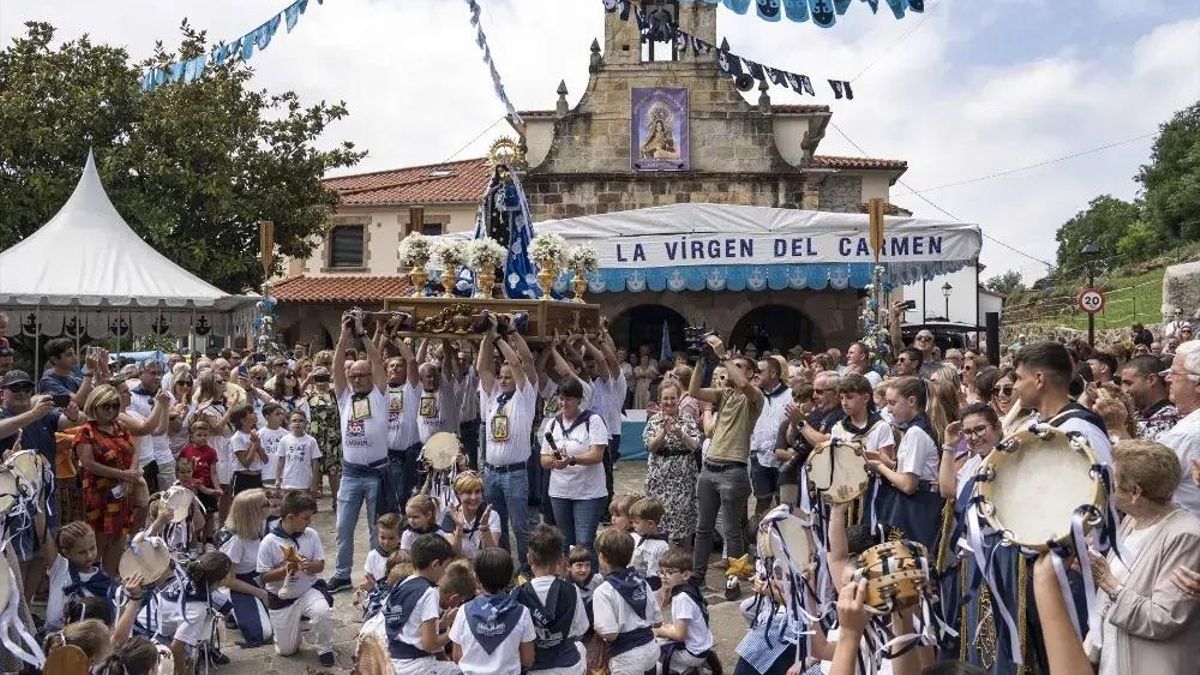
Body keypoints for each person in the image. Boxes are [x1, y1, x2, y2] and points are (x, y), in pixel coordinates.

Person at [1084, 439, 1200, 675]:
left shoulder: (1186, 535)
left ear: (1136, 492)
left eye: (1112, 481)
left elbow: (1164, 617)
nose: (1104, 486)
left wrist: (1108, 582)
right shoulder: (1131, 520)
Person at [687, 335, 764, 599]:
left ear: (752, 373)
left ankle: (733, 579)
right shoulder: (725, 394)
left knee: (732, 529)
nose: (733, 370)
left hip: (734, 468)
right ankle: (697, 576)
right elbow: (695, 391)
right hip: (710, 467)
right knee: (703, 527)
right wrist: (700, 360)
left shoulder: (754, 397)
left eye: (740, 366)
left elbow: (742, 383)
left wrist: (723, 356)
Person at [328, 310, 390, 593]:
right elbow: (335, 366)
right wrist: (343, 335)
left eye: (363, 375)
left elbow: (376, 360)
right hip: (351, 473)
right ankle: (342, 573)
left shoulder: (379, 393)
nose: (358, 380)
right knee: (343, 527)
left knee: (378, 527)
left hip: (377, 472)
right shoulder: (344, 396)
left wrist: (363, 333)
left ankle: (379, 574)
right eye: (354, 376)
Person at [477, 318, 539, 564]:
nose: (503, 380)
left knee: (520, 525)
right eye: (500, 377)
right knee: (496, 523)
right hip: (491, 472)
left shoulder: (524, 397)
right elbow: (482, 369)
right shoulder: (494, 396)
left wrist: (500, 337)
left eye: (507, 377)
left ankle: (525, 567)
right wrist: (486, 336)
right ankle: (501, 566)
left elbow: (516, 362)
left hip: (515, 473)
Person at [257, 491, 335, 666]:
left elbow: (320, 565)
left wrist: (308, 565)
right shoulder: (269, 542)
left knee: (322, 611)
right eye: (305, 518)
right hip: (281, 598)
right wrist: (285, 569)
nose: (309, 522)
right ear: (290, 517)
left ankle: (325, 648)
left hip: (308, 590)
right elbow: (264, 577)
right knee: (287, 651)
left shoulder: (311, 534)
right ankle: (295, 625)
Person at [74, 384, 146, 574]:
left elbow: (134, 451)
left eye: (114, 405)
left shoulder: (120, 427)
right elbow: (88, 463)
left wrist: (130, 475)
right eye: (106, 406)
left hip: (123, 492)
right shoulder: (87, 431)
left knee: (119, 537)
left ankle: (112, 578)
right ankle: (93, 579)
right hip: (99, 494)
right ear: (94, 405)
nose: (111, 410)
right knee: (98, 539)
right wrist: (123, 475)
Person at [541, 377, 609, 566]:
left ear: (579, 400)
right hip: (560, 491)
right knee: (564, 542)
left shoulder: (592, 420)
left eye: (569, 399)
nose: (564, 403)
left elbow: (596, 455)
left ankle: (590, 583)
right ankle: (569, 581)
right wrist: (555, 461)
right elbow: (543, 459)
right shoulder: (552, 424)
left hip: (588, 492)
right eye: (561, 399)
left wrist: (572, 460)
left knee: (584, 543)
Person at [876, 377, 945, 553]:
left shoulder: (916, 432)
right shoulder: (920, 427)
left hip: (918, 508)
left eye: (892, 402)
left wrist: (879, 467)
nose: (888, 409)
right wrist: (888, 463)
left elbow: (908, 485)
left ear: (912, 401)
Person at [1012, 341, 1112, 462]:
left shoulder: (1083, 432)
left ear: (1039, 380)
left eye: (1019, 378)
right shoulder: (1032, 426)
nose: (1015, 386)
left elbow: (1101, 479)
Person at [380, 533, 461, 675]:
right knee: (461, 671)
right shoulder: (429, 593)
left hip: (392, 661)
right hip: (415, 665)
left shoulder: (402, 583)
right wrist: (451, 633)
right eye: (446, 566)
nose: (445, 572)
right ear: (435, 564)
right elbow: (430, 645)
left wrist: (440, 624)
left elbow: (409, 625)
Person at [514, 524, 589, 674]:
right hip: (568, 666)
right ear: (561, 559)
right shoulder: (572, 589)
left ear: (529, 558)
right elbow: (581, 627)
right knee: (580, 647)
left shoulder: (517, 593)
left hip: (534, 668)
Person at [449, 547, 537, 674]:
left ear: (476, 579)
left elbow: (457, 656)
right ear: (510, 578)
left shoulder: (464, 611)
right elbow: (528, 660)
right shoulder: (522, 612)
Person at [592, 528, 663, 675]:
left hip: (626, 658)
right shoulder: (641, 582)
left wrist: (597, 627)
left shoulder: (603, 591)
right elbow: (658, 622)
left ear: (602, 557)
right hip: (651, 650)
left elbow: (610, 634)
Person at [641, 381, 701, 547]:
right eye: (665, 398)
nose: (669, 402)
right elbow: (650, 446)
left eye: (673, 398)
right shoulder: (654, 420)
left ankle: (684, 558)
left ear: (679, 399)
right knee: (659, 517)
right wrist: (663, 433)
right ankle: (660, 554)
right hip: (659, 479)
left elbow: (695, 445)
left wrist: (680, 433)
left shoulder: (687, 419)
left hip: (683, 479)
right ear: (659, 400)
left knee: (684, 519)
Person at [218, 488, 274, 648]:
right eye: (265, 503)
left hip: (258, 577)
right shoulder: (236, 540)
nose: (270, 504)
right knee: (262, 633)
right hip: (238, 586)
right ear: (254, 511)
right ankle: (230, 611)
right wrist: (260, 593)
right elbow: (228, 580)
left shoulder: (260, 525)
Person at [653, 548, 717, 675]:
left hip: (693, 653)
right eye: (662, 572)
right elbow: (664, 605)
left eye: (669, 573)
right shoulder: (688, 588)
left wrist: (658, 631)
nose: (664, 577)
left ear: (685, 575)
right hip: (702, 646)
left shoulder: (682, 598)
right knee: (664, 631)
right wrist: (666, 590)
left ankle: (684, 670)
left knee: (652, 651)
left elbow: (679, 635)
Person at [1157, 340, 1200, 517]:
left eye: (1174, 373)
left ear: (1198, 384)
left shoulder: (1185, 434)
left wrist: (1116, 427)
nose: (1167, 379)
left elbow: (1138, 481)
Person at [44, 521, 112, 631]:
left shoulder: (103, 581)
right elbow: (44, 537)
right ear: (67, 553)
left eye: (92, 548)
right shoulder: (60, 567)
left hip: (85, 638)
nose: (89, 555)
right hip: (54, 633)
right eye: (81, 552)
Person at [750, 357, 791, 523]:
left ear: (773, 373)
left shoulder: (791, 395)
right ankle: (758, 539)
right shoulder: (753, 395)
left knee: (784, 502)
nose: (756, 375)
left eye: (760, 371)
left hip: (784, 458)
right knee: (762, 501)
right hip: (759, 456)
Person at [126, 360, 176, 491]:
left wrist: (176, 416)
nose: (158, 377)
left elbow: (171, 429)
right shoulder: (130, 397)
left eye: (160, 373)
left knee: (169, 500)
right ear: (141, 373)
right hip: (143, 458)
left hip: (164, 455)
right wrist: (162, 409)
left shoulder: (167, 395)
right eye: (153, 373)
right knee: (146, 502)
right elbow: (143, 428)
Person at [1119, 355, 1180, 441]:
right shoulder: (1137, 414)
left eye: (1128, 383)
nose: (1124, 390)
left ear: (1151, 380)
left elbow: (1137, 453)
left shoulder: (1170, 418)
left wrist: (1117, 427)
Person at [305, 366, 342, 504]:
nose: (321, 381)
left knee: (333, 471)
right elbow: (297, 399)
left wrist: (332, 378)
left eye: (324, 378)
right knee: (314, 470)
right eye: (318, 378)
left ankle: (336, 502)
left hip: (332, 438)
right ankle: (311, 503)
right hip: (314, 436)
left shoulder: (334, 394)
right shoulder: (308, 394)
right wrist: (308, 379)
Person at [443, 470, 500, 559]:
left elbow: (493, 555)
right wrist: (459, 528)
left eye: (477, 491)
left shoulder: (491, 515)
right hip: (460, 567)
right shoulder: (451, 517)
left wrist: (485, 527)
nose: (473, 497)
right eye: (468, 492)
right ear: (458, 495)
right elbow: (452, 556)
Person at [274, 410, 321, 495]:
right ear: (289, 423)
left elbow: (315, 463)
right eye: (294, 420)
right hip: (288, 483)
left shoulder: (311, 441)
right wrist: (277, 479)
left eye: (301, 421)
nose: (297, 423)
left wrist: (314, 483)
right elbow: (281, 461)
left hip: (305, 484)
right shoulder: (284, 440)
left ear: (306, 423)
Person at [629, 498, 668, 592]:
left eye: (637, 522)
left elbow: (664, 570)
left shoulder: (662, 546)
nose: (633, 525)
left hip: (652, 585)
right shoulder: (634, 537)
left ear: (650, 523)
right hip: (634, 579)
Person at [228, 405, 267, 495]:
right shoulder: (237, 437)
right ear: (242, 420)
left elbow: (265, 459)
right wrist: (254, 445)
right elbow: (245, 463)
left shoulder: (255, 434)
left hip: (257, 477)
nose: (255, 414)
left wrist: (258, 444)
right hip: (243, 478)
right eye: (251, 413)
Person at [362, 512, 403, 594]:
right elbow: (369, 578)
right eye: (382, 537)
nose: (386, 542)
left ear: (400, 536)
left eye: (391, 538)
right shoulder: (372, 555)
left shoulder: (403, 556)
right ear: (377, 535)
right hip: (378, 595)